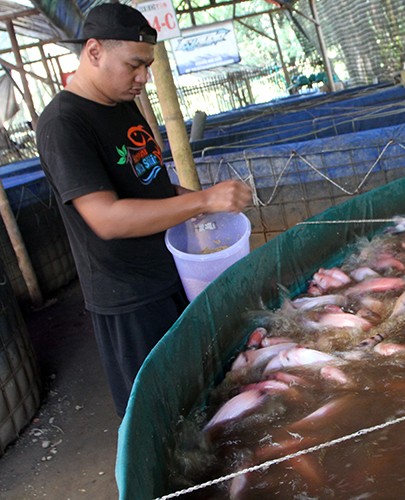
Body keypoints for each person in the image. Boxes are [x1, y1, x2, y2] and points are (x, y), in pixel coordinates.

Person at [35, 3, 251, 418]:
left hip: (171, 272)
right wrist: (204, 200)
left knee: (202, 396)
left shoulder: (121, 104)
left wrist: (199, 204)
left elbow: (147, 182)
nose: (143, 77)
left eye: (148, 66)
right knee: (159, 414)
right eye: (135, 65)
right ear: (94, 51)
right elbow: (107, 218)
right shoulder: (64, 123)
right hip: (130, 297)